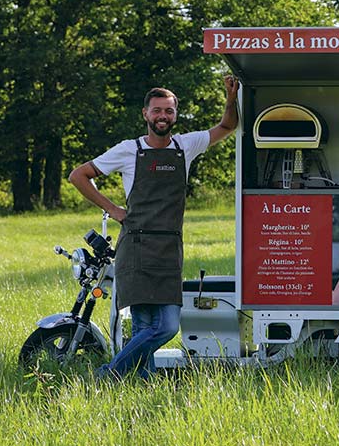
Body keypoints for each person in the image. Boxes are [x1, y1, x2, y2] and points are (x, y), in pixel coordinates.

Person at [69, 76, 239, 379]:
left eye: (169, 111)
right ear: (146, 114)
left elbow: (227, 126)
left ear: (175, 115)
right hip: (135, 248)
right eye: (157, 110)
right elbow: (79, 175)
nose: (163, 116)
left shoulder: (186, 146)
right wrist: (113, 209)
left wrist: (230, 96)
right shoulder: (128, 150)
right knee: (154, 327)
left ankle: (113, 376)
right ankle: (119, 378)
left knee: (161, 327)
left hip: (169, 249)